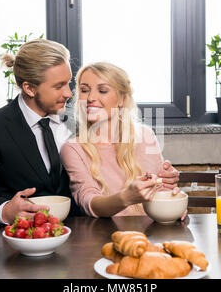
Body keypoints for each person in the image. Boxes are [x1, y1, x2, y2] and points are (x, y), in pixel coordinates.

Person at [0, 39, 83, 226]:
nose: (69, 93)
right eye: (59, 86)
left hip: (77, 236)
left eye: (68, 83)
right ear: (29, 88)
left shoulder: (78, 122)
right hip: (21, 239)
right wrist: (6, 211)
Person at [60, 62, 180, 218]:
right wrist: (126, 198)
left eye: (102, 90)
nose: (90, 98)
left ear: (122, 99)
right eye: (84, 90)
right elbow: (88, 202)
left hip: (150, 236)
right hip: (103, 237)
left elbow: (160, 191)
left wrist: (173, 201)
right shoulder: (73, 148)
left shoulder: (146, 136)